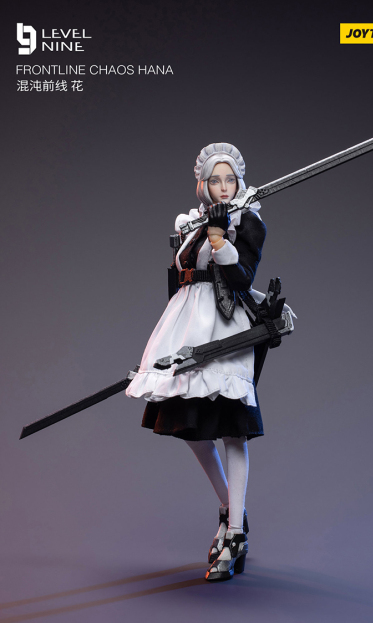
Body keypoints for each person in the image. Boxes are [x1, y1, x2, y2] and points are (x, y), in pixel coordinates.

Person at [126, 142, 267, 581]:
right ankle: (230, 507)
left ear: (239, 182)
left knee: (233, 427)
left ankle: (236, 533)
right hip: (187, 328)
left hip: (226, 327)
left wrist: (221, 239)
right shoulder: (192, 222)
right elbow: (180, 275)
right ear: (203, 184)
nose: (224, 187)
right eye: (215, 180)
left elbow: (242, 277)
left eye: (230, 179)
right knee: (187, 422)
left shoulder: (247, 219)